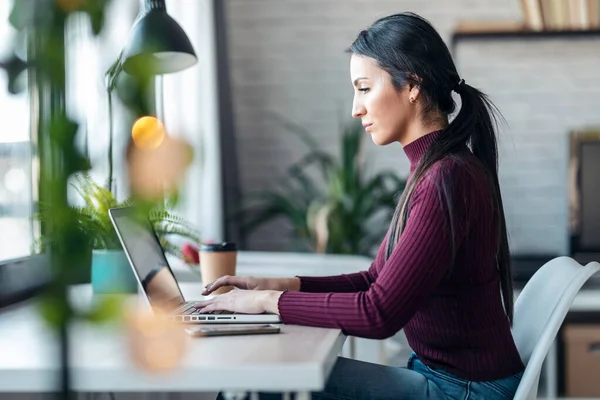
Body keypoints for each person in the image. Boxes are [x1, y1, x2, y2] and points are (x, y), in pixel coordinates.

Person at [195, 12, 525, 400]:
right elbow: (375, 280)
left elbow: (378, 313)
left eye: (364, 88)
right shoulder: (438, 169)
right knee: (263, 373)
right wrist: (277, 286)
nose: (356, 108)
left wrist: (266, 302)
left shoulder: (447, 178)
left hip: (463, 391)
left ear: (413, 85)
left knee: (262, 378)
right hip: (450, 380)